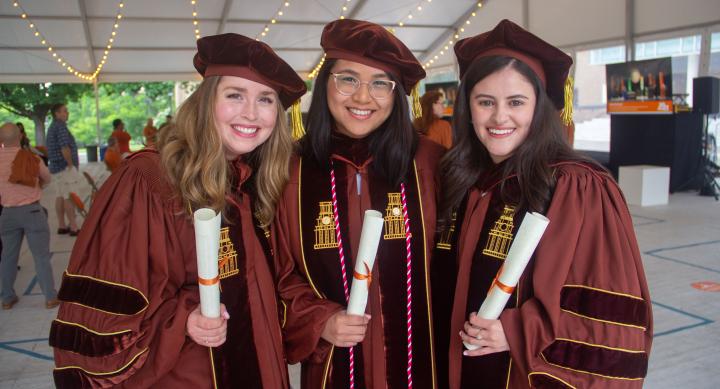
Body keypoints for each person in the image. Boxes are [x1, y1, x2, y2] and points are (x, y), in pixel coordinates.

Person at [49, 33, 306, 388]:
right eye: (235, 95)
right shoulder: (150, 179)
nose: (251, 112)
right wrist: (183, 318)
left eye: (265, 100)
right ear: (205, 102)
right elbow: (106, 314)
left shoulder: (252, 183)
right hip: (185, 376)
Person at [433, 19, 653, 388]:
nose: (500, 117)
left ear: (540, 107)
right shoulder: (462, 180)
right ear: (467, 108)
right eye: (485, 102)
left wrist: (518, 333)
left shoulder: (576, 186)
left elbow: (607, 315)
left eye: (516, 102)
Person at [274, 19, 444, 388]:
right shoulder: (288, 170)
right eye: (348, 79)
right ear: (325, 85)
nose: (363, 97)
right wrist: (319, 320)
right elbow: (276, 272)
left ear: (397, 94)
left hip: (424, 361)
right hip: (334, 364)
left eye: (380, 83)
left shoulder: (432, 165)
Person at [0, 122, 58, 310]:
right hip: (32, 211)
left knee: (8, 257)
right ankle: (50, 297)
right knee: (41, 256)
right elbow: (47, 178)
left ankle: (7, 298)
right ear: (20, 137)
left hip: (7, 213)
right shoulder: (31, 158)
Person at [45, 103, 79, 236]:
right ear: (57, 114)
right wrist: (70, 165)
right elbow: (65, 147)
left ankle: (62, 224)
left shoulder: (52, 127)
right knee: (69, 196)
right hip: (65, 167)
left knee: (60, 196)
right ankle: (74, 226)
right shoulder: (60, 127)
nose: (67, 113)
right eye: (64, 111)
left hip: (55, 167)